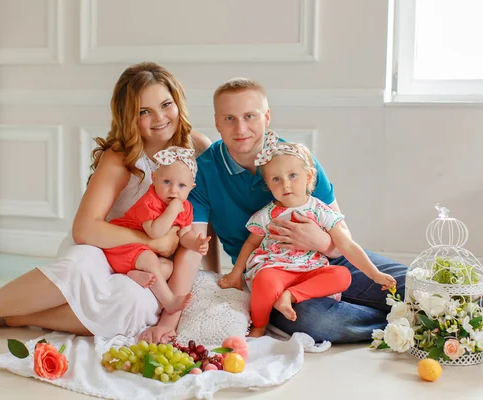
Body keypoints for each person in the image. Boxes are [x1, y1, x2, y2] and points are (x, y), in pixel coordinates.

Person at [0, 62, 213, 344]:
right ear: (129, 117)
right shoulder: (121, 156)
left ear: (178, 101)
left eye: (165, 105)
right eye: (144, 111)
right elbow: (85, 229)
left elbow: (200, 225)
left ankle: (9, 318)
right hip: (104, 247)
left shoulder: (197, 148)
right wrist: (152, 241)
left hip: (149, 266)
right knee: (78, 268)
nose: (160, 118)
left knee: (133, 306)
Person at [140, 77, 406, 344]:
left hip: (328, 259)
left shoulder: (297, 161)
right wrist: (169, 319)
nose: (241, 128)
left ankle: (408, 312)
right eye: (229, 118)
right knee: (319, 321)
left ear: (266, 116)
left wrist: (321, 241)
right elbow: (192, 248)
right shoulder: (203, 172)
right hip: (272, 276)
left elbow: (342, 240)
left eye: (250, 116)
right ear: (217, 123)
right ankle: (402, 326)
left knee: (410, 283)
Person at [218, 136, 397, 337]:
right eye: (276, 179)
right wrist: (235, 273)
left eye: (292, 175)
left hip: (311, 270)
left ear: (309, 176)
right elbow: (251, 244)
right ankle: (259, 325)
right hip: (277, 269)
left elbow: (346, 245)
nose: (285, 184)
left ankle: (291, 295)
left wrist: (375, 275)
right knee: (264, 281)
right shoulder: (266, 215)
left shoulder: (320, 211)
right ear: (268, 184)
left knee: (341, 275)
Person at [103, 146, 210, 314]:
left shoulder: (186, 207)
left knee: (167, 266)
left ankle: (133, 275)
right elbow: (155, 233)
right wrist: (173, 209)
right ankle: (169, 301)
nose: (173, 190)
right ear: (154, 178)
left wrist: (195, 243)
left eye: (182, 185)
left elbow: (184, 234)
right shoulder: (149, 201)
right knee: (149, 259)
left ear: (191, 188)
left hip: (143, 255)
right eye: (167, 182)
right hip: (123, 247)